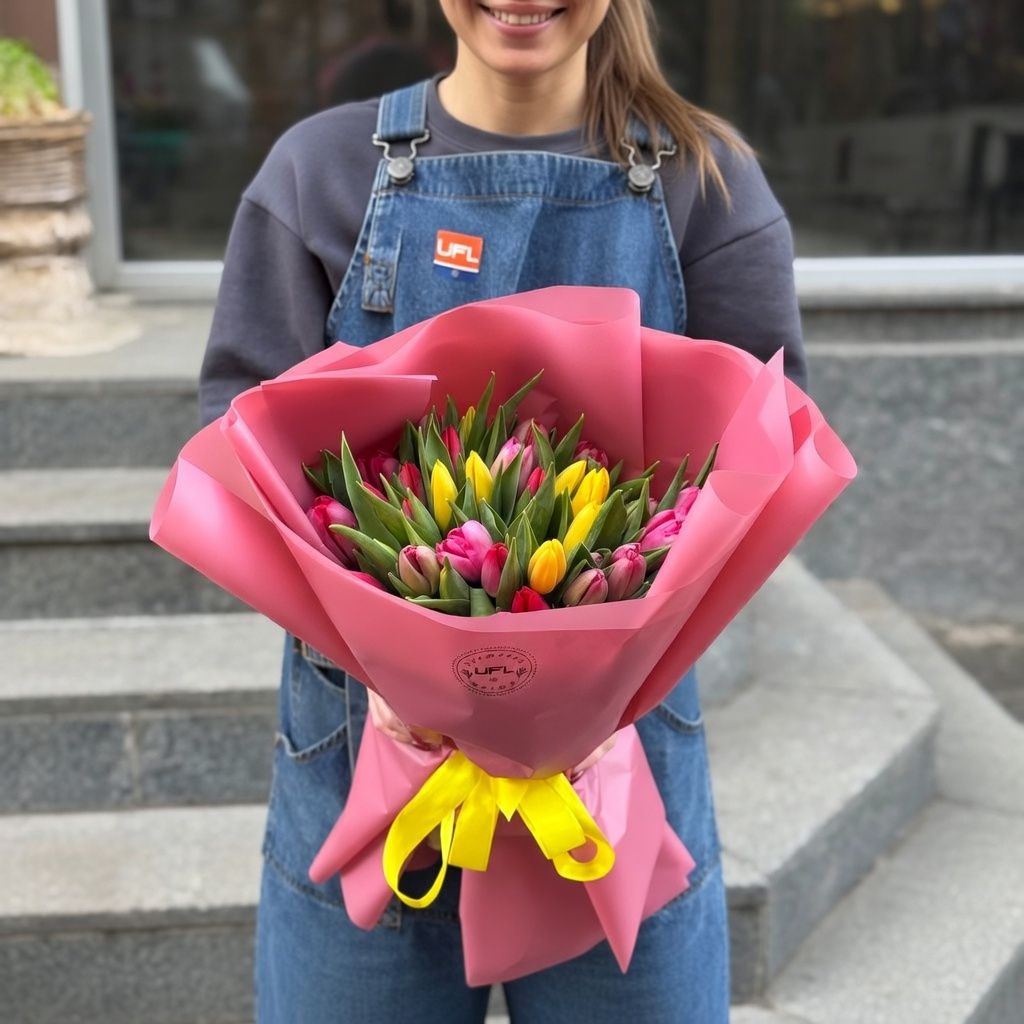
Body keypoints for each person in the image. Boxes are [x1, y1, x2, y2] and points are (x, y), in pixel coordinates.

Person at [199, 2, 808, 1021]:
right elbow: (238, 446)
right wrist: (382, 662)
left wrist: (598, 687)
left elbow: (761, 463)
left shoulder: (708, 186)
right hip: (370, 753)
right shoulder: (321, 171)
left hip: (612, 775)